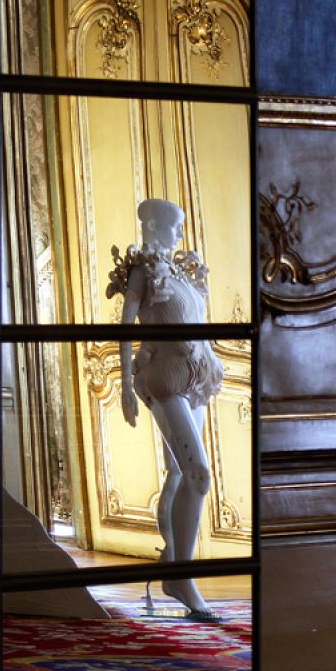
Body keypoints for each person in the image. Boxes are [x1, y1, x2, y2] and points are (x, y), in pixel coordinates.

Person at [107, 198, 225, 620]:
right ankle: (181, 577)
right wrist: (125, 385)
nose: (179, 234)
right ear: (155, 227)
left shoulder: (179, 273)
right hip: (166, 382)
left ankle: (172, 561)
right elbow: (125, 329)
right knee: (199, 475)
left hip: (198, 381)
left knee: (178, 475)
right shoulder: (143, 272)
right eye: (174, 227)